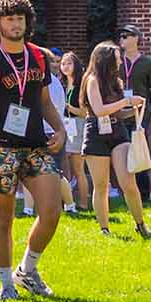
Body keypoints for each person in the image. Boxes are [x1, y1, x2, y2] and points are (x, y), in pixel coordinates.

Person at [0, 0, 66, 299]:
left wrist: (60, 128)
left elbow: (45, 102)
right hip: (1, 149)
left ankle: (28, 269)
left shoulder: (38, 57)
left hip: (37, 145)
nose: (16, 23)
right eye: (9, 19)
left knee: (52, 211)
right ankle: (7, 282)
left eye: (20, 18)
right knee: (4, 220)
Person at [82, 40, 151, 238]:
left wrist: (133, 110)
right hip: (96, 132)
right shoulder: (92, 80)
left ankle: (141, 225)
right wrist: (127, 101)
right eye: (117, 59)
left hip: (117, 131)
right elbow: (98, 110)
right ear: (105, 61)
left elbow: (117, 113)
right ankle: (104, 229)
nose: (120, 62)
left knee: (128, 181)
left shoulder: (116, 82)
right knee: (101, 185)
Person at [119, 26, 151, 202]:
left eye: (126, 36)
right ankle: (126, 190)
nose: (122, 39)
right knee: (123, 149)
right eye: (120, 36)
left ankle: (144, 193)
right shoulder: (118, 61)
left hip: (140, 113)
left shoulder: (147, 63)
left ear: (136, 38)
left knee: (139, 149)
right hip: (120, 111)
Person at [58, 51, 91, 213]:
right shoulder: (61, 84)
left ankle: (83, 203)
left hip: (78, 125)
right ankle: (68, 202)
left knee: (78, 169)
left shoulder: (81, 85)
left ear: (76, 65)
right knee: (66, 168)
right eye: (63, 63)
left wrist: (69, 108)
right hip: (64, 126)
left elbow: (85, 112)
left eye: (69, 63)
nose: (65, 66)